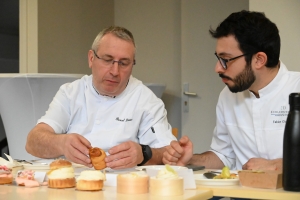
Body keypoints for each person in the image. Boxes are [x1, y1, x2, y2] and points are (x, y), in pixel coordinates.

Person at [163, 10, 300, 171]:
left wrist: (280, 166)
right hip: (243, 194)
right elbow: (224, 155)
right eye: (218, 58)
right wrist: (189, 159)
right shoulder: (227, 96)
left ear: (259, 60)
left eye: (226, 60)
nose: (217, 68)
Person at [26, 26, 176, 169]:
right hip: (73, 184)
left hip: (123, 186)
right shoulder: (71, 93)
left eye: (124, 63)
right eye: (107, 60)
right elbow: (32, 142)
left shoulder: (146, 100)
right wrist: (61, 143)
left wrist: (144, 154)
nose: (115, 71)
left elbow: (169, 153)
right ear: (91, 58)